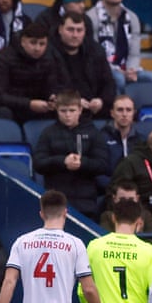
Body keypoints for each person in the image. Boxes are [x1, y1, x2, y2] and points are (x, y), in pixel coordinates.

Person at [33, 90, 109, 219]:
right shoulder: (48, 133)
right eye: (63, 111)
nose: (68, 115)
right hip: (56, 200)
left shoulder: (93, 132)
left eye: (72, 110)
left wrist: (82, 163)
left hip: (86, 200)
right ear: (56, 110)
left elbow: (103, 164)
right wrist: (63, 161)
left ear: (80, 109)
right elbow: (38, 163)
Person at [86, 0, 152, 92]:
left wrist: (131, 70)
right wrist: (117, 70)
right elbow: (94, 54)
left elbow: (134, 53)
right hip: (101, 69)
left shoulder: (132, 17)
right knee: (118, 79)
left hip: (127, 69)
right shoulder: (91, 18)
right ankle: (118, 109)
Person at [0, 21, 65, 123]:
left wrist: (52, 96)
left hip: (29, 106)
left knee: (62, 113)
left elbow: (51, 85)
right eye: (33, 42)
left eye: (42, 44)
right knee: (4, 113)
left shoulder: (48, 59)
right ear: (23, 41)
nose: (37, 48)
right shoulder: (4, 58)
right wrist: (29, 104)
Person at [51, 11, 115, 120]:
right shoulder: (49, 52)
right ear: (60, 29)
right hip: (65, 110)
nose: (75, 35)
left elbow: (109, 82)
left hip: (93, 108)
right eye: (70, 30)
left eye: (79, 30)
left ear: (85, 31)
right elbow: (50, 86)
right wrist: (73, 101)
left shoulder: (96, 51)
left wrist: (101, 100)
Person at [101, 95, 142, 177]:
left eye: (128, 110)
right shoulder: (101, 138)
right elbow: (98, 172)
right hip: (109, 187)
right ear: (112, 113)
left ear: (134, 113)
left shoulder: (141, 141)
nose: (124, 114)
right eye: (120, 110)